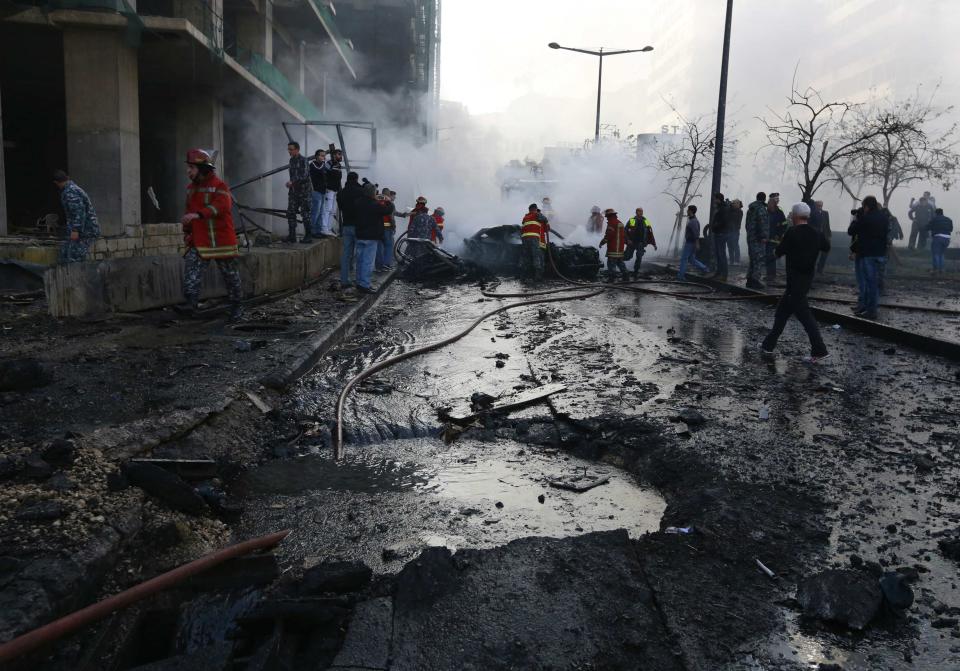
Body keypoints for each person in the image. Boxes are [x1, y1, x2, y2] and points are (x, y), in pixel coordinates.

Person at [760, 202, 830, 363]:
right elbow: (826, 247)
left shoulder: (792, 232)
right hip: (805, 279)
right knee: (782, 312)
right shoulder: (816, 233)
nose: (790, 216)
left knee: (805, 317)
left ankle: (820, 350)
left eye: (792, 214)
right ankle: (768, 345)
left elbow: (778, 252)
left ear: (796, 216)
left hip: (795, 280)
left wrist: (768, 257)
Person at [179, 149, 244, 321]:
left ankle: (237, 307)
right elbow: (188, 212)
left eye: (191, 168)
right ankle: (190, 306)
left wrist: (199, 215)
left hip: (222, 240)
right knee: (191, 274)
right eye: (188, 167)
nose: (188, 171)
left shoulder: (220, 186)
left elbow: (222, 207)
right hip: (200, 240)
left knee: (231, 276)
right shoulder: (190, 189)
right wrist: (187, 233)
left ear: (202, 168)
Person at [848, 196, 889, 319]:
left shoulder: (865, 218)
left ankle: (871, 311)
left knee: (869, 283)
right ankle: (868, 308)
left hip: (868, 254)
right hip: (881, 253)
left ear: (866, 206)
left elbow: (851, 231)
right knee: (874, 283)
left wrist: (855, 219)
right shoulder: (884, 217)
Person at [53, 170, 100, 264]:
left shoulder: (70, 192)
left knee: (74, 258)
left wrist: (75, 230)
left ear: (56, 183)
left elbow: (79, 212)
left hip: (86, 231)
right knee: (65, 255)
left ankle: (76, 277)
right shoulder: (71, 188)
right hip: (82, 229)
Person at [354, 182, 394, 294]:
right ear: (373, 193)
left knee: (360, 261)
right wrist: (388, 200)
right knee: (368, 262)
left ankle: (359, 282)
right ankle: (365, 285)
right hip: (371, 237)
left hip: (359, 235)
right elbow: (388, 210)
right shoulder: (375, 204)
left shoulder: (357, 202)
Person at [336, 171, 363, 289]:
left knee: (346, 254)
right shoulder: (360, 191)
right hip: (358, 225)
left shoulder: (341, 192)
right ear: (356, 179)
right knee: (359, 254)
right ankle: (359, 280)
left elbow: (340, 207)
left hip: (346, 225)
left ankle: (344, 280)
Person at [284, 141, 312, 243]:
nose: (289, 151)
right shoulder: (291, 161)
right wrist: (291, 185)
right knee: (290, 212)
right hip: (293, 192)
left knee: (305, 214)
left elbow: (304, 176)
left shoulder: (303, 160)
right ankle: (292, 236)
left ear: (297, 149)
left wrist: (293, 182)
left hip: (304, 192)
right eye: (288, 149)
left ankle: (308, 236)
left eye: (291, 149)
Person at [744, 192, 769, 289]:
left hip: (751, 237)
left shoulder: (751, 209)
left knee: (752, 259)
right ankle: (755, 280)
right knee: (759, 260)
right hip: (758, 239)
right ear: (764, 199)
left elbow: (747, 224)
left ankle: (749, 280)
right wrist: (763, 237)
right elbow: (763, 224)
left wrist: (750, 234)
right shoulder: (761, 209)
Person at [677, 205, 708, 281]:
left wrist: (697, 243)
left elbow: (696, 233)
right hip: (691, 243)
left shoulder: (693, 221)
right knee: (691, 259)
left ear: (691, 211)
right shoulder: (692, 220)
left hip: (690, 243)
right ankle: (705, 268)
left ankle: (680, 276)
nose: (687, 211)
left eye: (688, 210)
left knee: (684, 259)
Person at [625, 207, 657, 278]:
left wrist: (654, 244)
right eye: (639, 211)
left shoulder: (646, 221)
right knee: (627, 256)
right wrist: (628, 240)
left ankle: (635, 272)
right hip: (632, 242)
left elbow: (650, 233)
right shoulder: (631, 220)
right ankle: (619, 263)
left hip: (641, 243)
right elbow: (625, 231)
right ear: (636, 212)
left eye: (642, 211)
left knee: (639, 257)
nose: (641, 213)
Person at [319, 148, 344, 236]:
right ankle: (324, 228)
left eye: (341, 154)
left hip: (335, 191)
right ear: (334, 155)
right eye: (339, 154)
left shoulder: (338, 165)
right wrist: (326, 186)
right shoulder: (329, 163)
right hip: (329, 190)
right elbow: (324, 174)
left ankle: (329, 229)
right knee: (327, 209)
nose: (340, 156)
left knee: (332, 210)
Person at [599, 208, 627, 282]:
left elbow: (609, 235)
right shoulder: (620, 223)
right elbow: (624, 235)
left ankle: (612, 278)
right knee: (620, 263)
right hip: (620, 248)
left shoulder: (611, 223)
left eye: (607, 216)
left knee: (611, 264)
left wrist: (602, 242)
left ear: (610, 215)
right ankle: (626, 276)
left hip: (613, 248)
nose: (606, 218)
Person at [708, 193, 730, 280]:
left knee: (721, 254)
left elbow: (724, 221)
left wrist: (715, 226)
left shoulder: (724, 209)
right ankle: (719, 272)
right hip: (719, 233)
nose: (714, 200)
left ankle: (724, 275)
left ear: (718, 199)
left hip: (721, 234)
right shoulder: (720, 208)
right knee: (718, 254)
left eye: (715, 199)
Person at [765, 193, 787, 281]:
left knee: (770, 256)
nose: (777, 201)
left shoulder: (779, 212)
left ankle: (771, 275)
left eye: (778, 199)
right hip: (766, 237)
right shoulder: (766, 211)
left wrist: (779, 232)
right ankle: (770, 274)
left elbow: (785, 224)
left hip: (775, 238)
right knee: (768, 256)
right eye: (775, 199)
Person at [374, 187, 397, 272]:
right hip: (387, 228)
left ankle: (378, 266)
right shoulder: (388, 202)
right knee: (389, 246)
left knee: (379, 248)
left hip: (378, 228)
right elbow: (390, 216)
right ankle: (386, 264)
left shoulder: (376, 200)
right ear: (388, 194)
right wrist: (393, 226)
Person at [520, 203, 545, 280]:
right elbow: (545, 219)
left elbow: (523, 228)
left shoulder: (525, 217)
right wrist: (539, 212)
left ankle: (523, 276)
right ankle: (538, 276)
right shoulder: (536, 214)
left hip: (525, 239)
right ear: (535, 209)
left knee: (525, 257)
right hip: (533, 238)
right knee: (536, 256)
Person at [308, 149, 328, 238]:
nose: (323, 157)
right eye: (321, 155)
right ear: (316, 156)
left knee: (321, 212)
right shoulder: (313, 165)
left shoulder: (324, 165)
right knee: (315, 211)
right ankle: (311, 231)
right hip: (316, 190)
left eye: (324, 156)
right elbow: (318, 170)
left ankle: (318, 230)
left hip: (323, 191)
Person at [927, 207, 953, 274]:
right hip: (947, 238)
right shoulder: (949, 219)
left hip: (938, 237)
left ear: (936, 213)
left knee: (935, 254)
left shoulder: (934, 219)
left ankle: (935, 269)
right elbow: (951, 229)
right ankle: (941, 269)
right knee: (941, 254)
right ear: (942, 213)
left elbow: (927, 227)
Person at [813, 200, 832, 274]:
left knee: (825, 253)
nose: (820, 207)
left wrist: (829, 235)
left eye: (821, 205)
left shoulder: (825, 213)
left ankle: (820, 269)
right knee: (815, 254)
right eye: (818, 205)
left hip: (825, 236)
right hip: (816, 236)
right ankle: (813, 269)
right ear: (815, 206)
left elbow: (827, 224)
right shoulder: (812, 213)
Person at [727, 199, 743, 265]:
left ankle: (737, 260)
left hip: (735, 230)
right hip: (729, 230)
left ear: (739, 204)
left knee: (735, 245)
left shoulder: (739, 211)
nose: (734, 204)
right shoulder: (731, 210)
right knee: (729, 245)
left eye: (735, 203)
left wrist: (730, 206)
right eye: (733, 203)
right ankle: (731, 260)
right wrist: (729, 206)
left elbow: (734, 216)